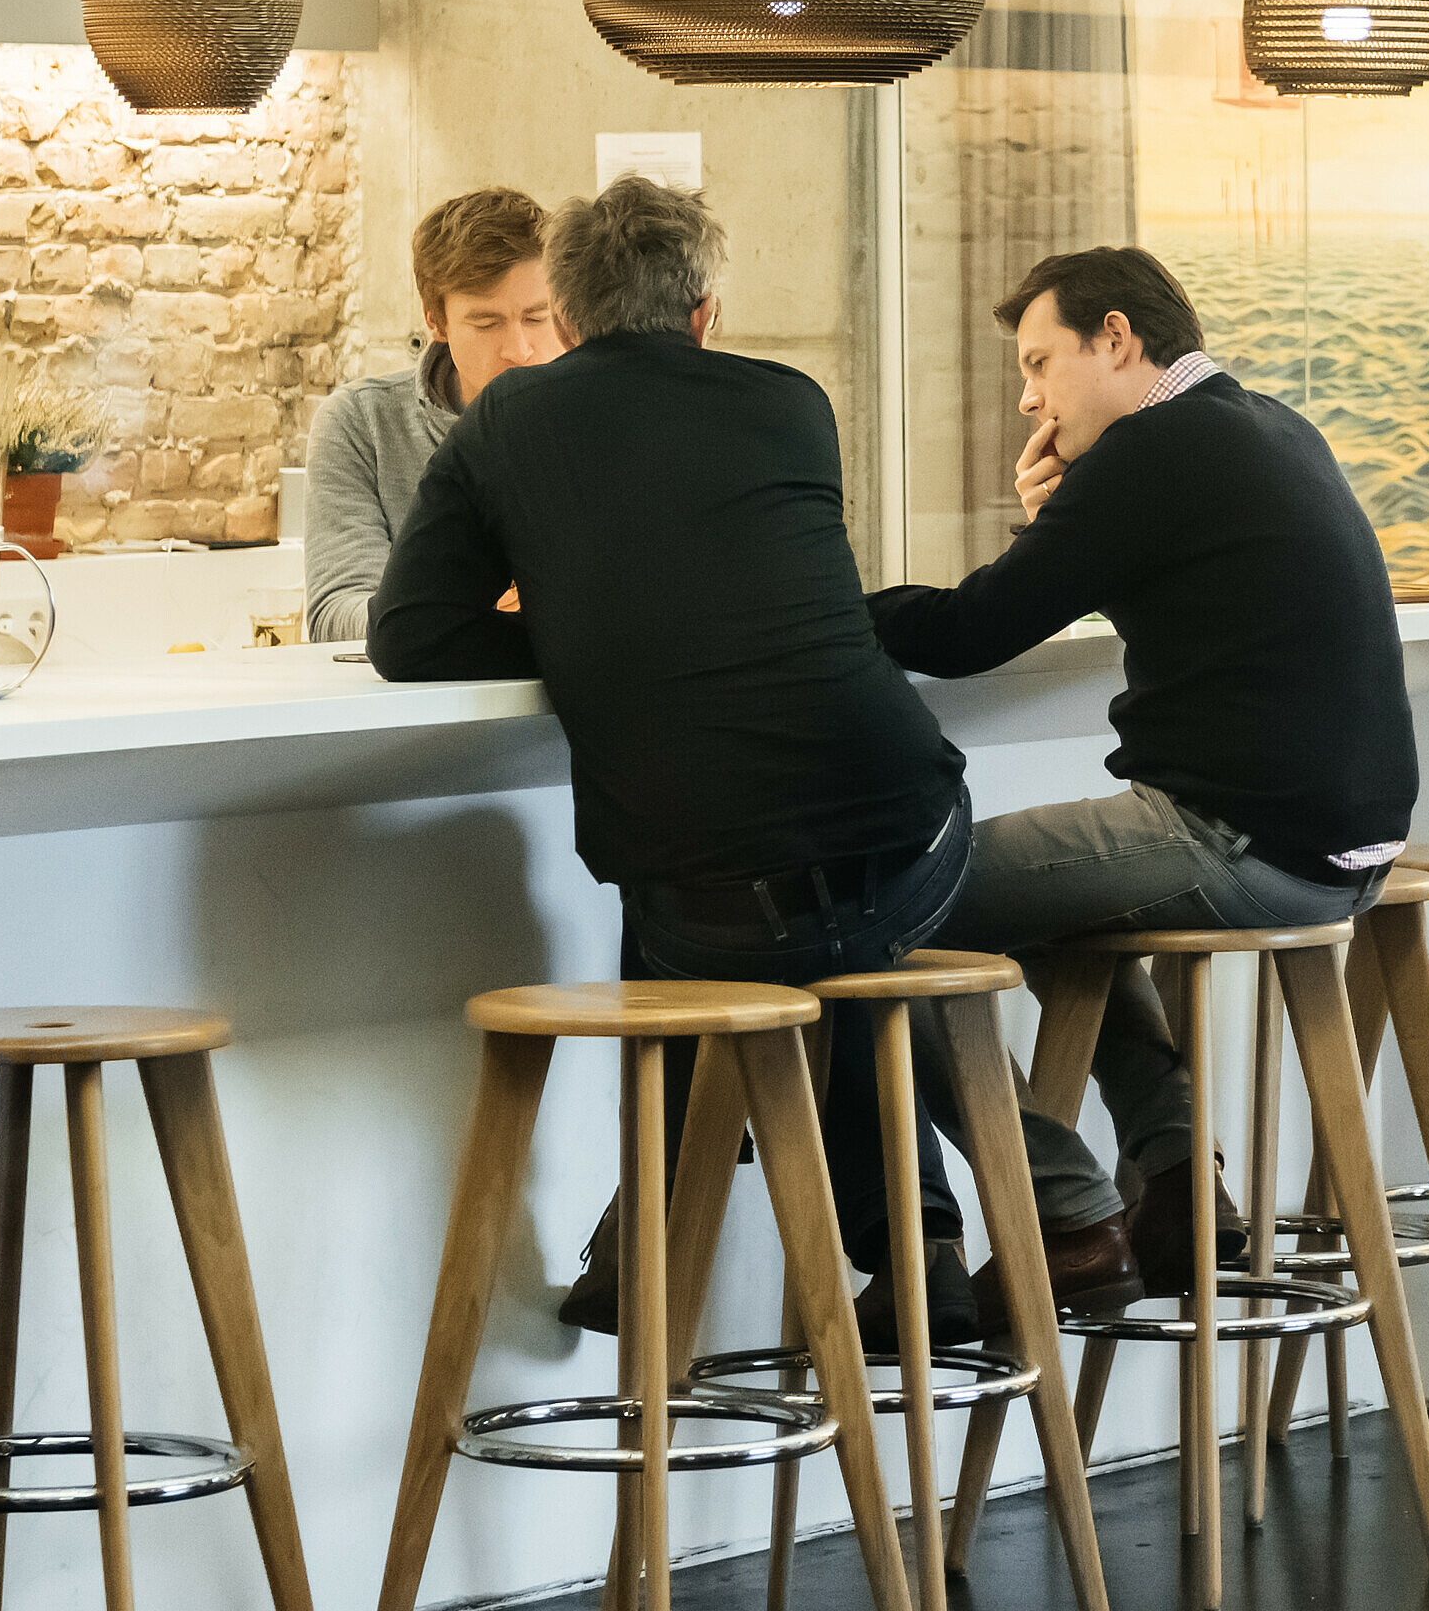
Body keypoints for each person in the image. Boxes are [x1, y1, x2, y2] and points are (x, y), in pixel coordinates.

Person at [366, 179, 971, 1317]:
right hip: (914, 833)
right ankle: (915, 1247)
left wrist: (588, 628)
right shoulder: (793, 400)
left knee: (731, 921)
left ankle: (648, 1235)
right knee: (820, 941)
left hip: (707, 894)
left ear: (573, 317)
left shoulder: (508, 421)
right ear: (705, 311)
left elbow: (407, 637)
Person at [866, 246, 1418, 1316]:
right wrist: (1059, 523)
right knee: (1053, 898)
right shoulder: (1263, 423)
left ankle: (1066, 1212)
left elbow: (972, 630)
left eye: (1039, 362)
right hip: (1349, 853)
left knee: (877, 907)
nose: (1027, 395)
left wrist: (802, 615)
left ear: (1115, 338)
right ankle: (1174, 1185)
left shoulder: (1153, 452)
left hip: (1242, 840)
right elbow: (1102, 579)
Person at [302, 186, 567, 641]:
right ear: (435, 321)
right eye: (486, 323)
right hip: (429, 706)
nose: (519, 349)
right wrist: (482, 611)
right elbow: (334, 614)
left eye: (537, 317)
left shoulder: (607, 413)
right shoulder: (361, 424)